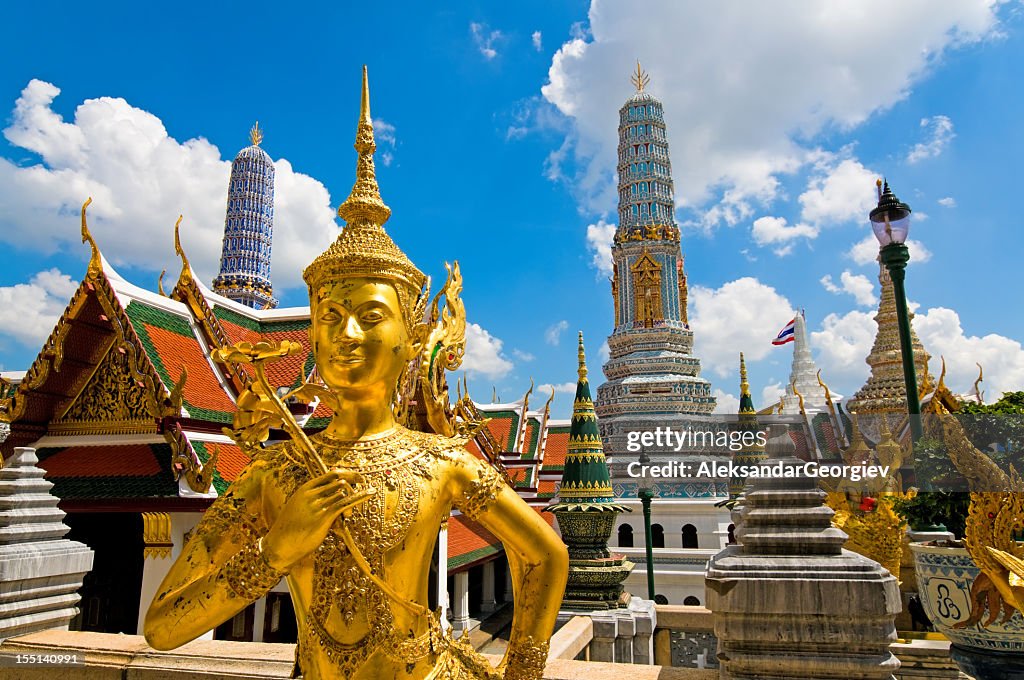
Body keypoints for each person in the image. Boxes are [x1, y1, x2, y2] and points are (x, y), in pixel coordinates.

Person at [144, 67, 568, 680]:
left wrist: (522, 672)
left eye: (370, 317)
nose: (345, 336)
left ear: (408, 336)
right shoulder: (276, 470)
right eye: (331, 317)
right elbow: (162, 627)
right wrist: (274, 552)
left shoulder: (439, 462)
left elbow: (546, 554)